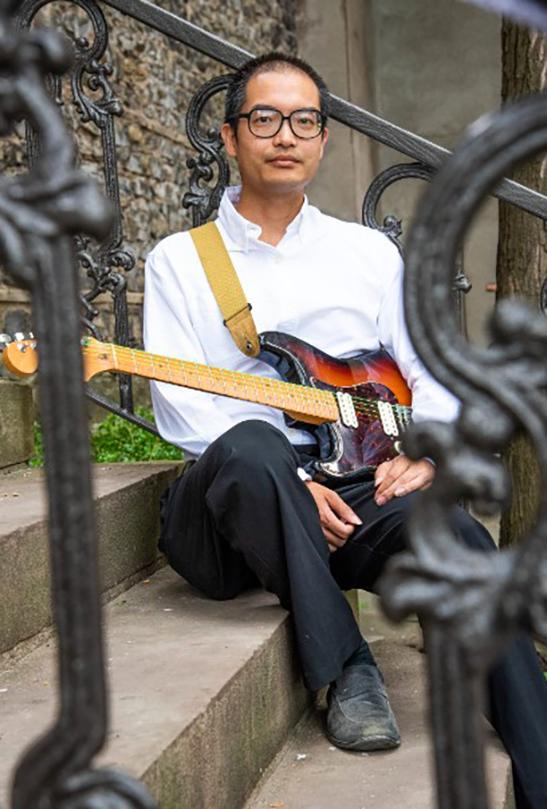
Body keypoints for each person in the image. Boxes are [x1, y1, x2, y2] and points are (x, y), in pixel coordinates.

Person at [143, 53, 547, 808]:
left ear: (323, 140)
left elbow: (430, 373)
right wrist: (292, 485)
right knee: (253, 445)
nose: (284, 135)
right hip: (233, 511)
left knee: (460, 539)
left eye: (303, 121)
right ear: (231, 138)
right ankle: (348, 664)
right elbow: (180, 407)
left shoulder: (368, 255)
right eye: (264, 118)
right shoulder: (181, 261)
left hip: (358, 484)